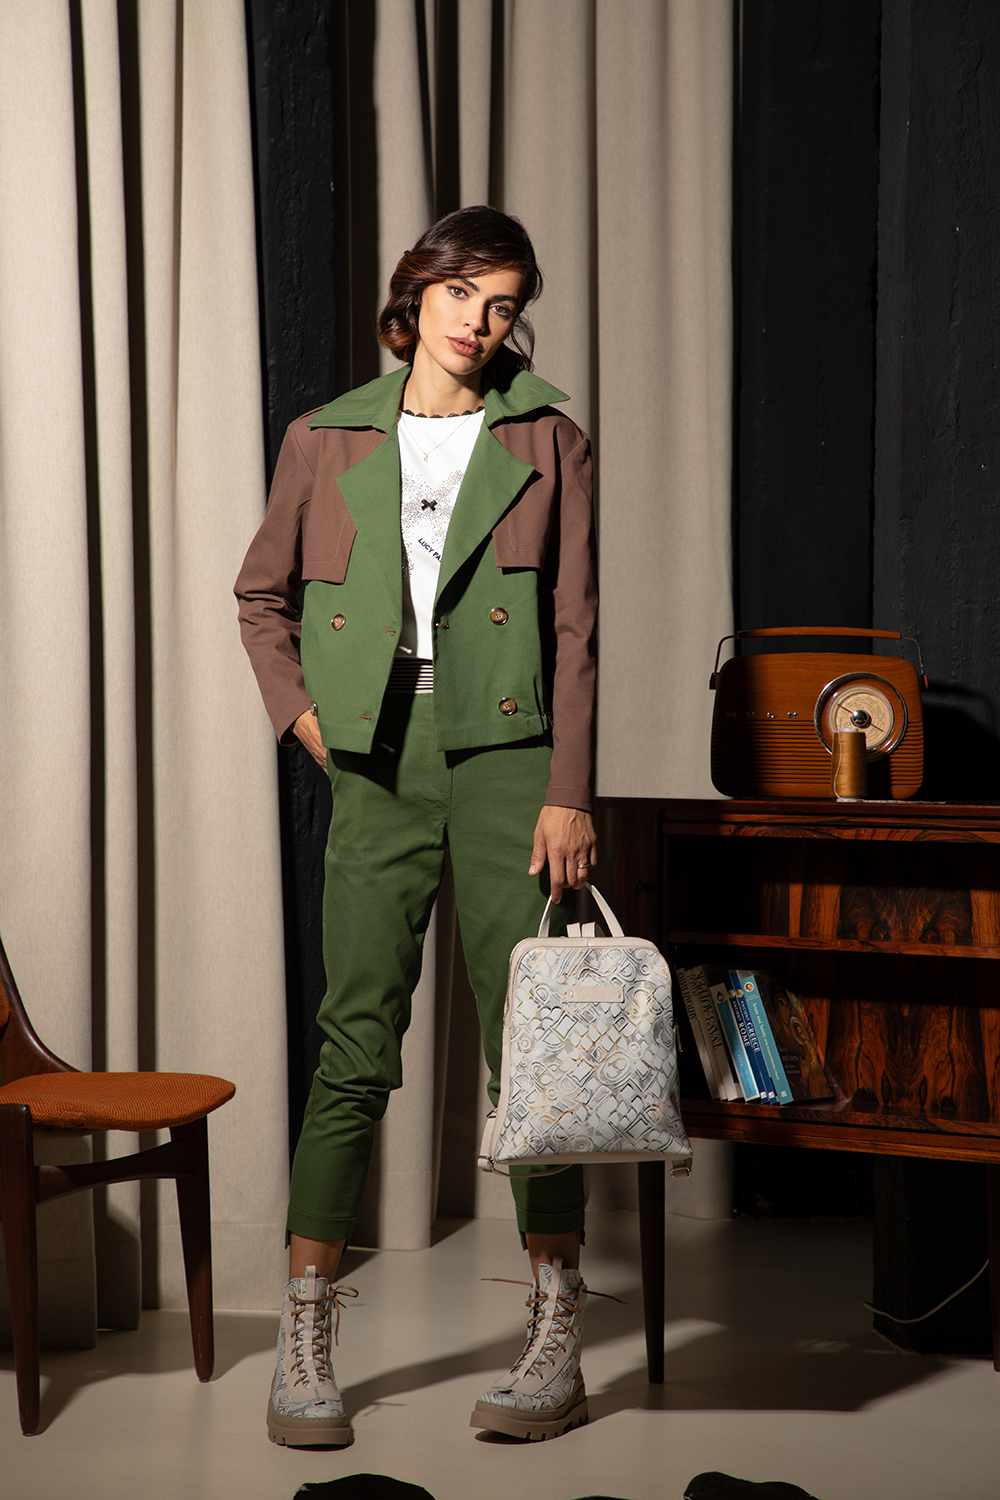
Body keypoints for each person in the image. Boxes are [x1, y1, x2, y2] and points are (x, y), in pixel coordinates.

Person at [235, 205, 598, 1449]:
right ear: (417, 292)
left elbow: (575, 628)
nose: (479, 323)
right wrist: (303, 719)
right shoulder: (325, 436)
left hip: (511, 758)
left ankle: (556, 1327)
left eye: (503, 306)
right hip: (379, 755)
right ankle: (303, 1331)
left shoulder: (548, 438)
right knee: (354, 1038)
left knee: (532, 1046)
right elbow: (262, 597)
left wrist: (569, 789)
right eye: (461, 295)